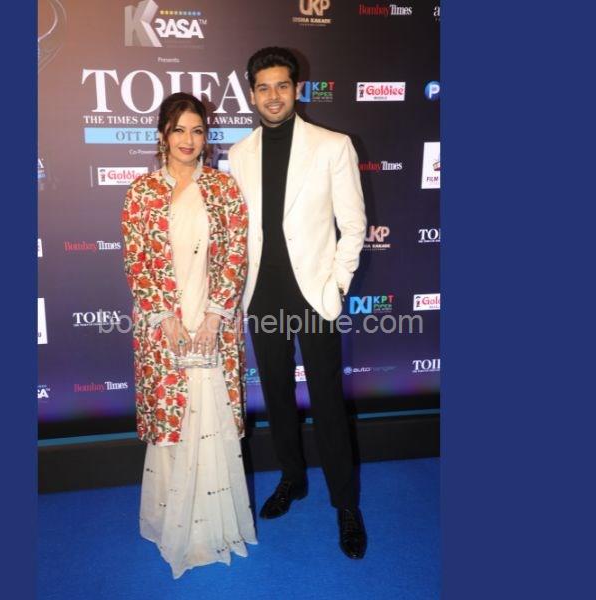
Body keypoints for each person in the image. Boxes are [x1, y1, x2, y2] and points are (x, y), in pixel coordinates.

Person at [228, 47, 368, 559]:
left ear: (297, 89)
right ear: (252, 94)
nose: (273, 96)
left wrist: (337, 286)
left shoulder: (333, 146)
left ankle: (346, 505)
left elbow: (353, 225)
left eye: (282, 86)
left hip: (314, 295)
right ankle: (293, 477)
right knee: (277, 396)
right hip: (261, 293)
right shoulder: (238, 154)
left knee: (328, 401)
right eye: (263, 87)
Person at [121, 92, 256, 578]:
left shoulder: (223, 188)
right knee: (173, 419)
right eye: (179, 129)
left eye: (197, 130)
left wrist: (216, 316)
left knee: (210, 414)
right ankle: (172, 523)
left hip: (213, 318)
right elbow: (137, 261)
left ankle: (211, 530)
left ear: (206, 137)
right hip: (163, 327)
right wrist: (164, 317)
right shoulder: (141, 193)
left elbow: (236, 254)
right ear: (163, 134)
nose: (188, 139)